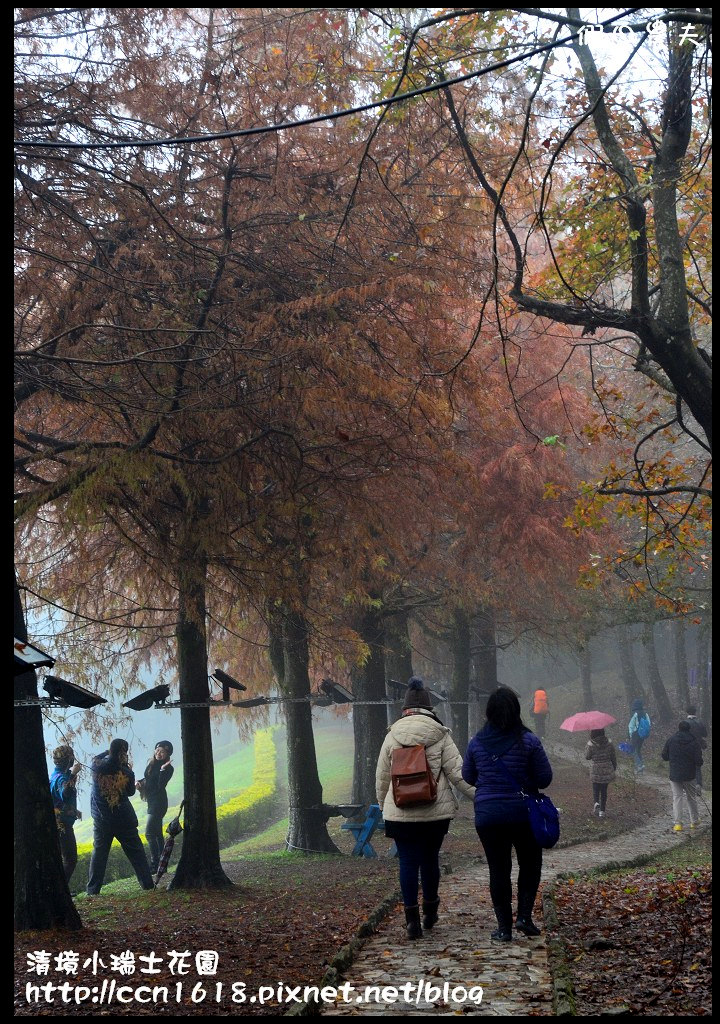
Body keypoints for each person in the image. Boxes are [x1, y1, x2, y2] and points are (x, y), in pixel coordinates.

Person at [376, 677, 475, 940]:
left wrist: (382, 805)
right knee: (430, 859)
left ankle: (411, 921)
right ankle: (430, 911)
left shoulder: (392, 736)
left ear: (405, 708)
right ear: (430, 708)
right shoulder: (440, 735)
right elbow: (459, 774)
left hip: (399, 812)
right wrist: (482, 796)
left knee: (407, 862)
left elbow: (382, 778)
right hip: (434, 812)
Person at [463, 685, 553, 942]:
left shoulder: (477, 743)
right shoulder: (529, 741)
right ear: (516, 711)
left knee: (498, 869)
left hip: (489, 816)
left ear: (489, 712)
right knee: (530, 863)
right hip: (523, 813)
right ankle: (524, 916)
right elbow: (545, 778)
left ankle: (503, 928)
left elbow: (468, 775)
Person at [87, 738, 155, 895]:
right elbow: (130, 792)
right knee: (136, 851)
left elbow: (95, 758)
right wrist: (126, 766)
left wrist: (108, 752)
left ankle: (92, 890)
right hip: (123, 818)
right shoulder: (126, 772)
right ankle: (147, 884)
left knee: (99, 853)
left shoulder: (97, 766)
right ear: (123, 753)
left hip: (101, 818)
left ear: (111, 750)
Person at [137, 740, 175, 874]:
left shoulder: (168, 768)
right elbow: (148, 779)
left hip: (159, 802)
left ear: (167, 754)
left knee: (149, 833)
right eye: (158, 750)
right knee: (158, 834)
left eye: (163, 752)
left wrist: (162, 770)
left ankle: (154, 864)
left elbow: (160, 785)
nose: (159, 753)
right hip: (151, 801)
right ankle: (162, 865)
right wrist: (140, 783)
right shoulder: (151, 763)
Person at [661, 721, 703, 832]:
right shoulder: (694, 741)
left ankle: (678, 824)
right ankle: (694, 821)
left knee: (677, 798)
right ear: (689, 729)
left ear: (679, 728)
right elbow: (699, 761)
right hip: (690, 775)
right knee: (691, 797)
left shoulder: (671, 740)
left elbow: (664, 756)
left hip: (675, 774)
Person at [49, 745, 82, 884]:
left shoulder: (57, 775)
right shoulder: (61, 778)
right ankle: (60, 889)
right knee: (70, 860)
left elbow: (60, 800)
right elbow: (65, 793)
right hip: (62, 825)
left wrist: (74, 810)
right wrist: (74, 774)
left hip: (60, 821)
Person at [585, 728, 617, 818]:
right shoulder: (609, 743)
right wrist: (614, 767)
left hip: (596, 769)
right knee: (604, 791)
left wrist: (588, 745)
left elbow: (587, 757)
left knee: (595, 789)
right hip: (607, 769)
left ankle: (596, 803)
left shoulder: (591, 744)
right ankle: (602, 811)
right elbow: (613, 756)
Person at [685, 707, 708, 792]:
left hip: (686, 747)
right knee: (697, 767)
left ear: (687, 713)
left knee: (687, 765)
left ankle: (688, 786)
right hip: (698, 747)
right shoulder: (700, 722)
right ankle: (698, 784)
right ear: (695, 712)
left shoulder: (684, 723)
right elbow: (705, 734)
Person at [627, 699, 651, 773]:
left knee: (633, 750)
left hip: (635, 734)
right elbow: (649, 724)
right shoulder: (645, 713)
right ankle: (640, 766)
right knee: (638, 750)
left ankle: (639, 765)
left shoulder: (635, 714)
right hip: (642, 735)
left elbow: (631, 725)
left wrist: (630, 735)